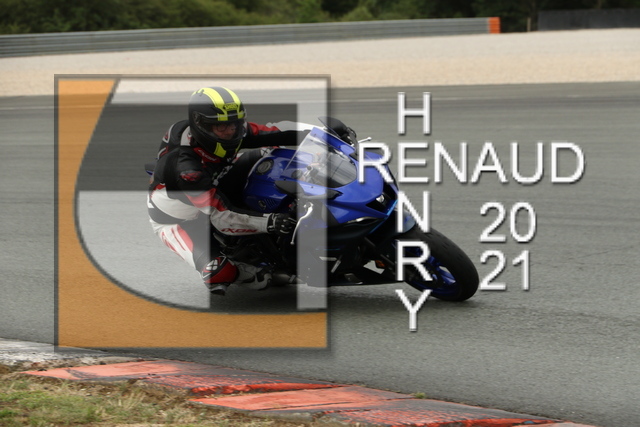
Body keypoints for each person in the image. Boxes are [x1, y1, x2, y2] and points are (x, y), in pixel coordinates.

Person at [147, 86, 305, 296]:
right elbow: (221, 217)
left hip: (215, 184)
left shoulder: (219, 131)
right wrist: (270, 222)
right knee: (218, 273)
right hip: (182, 219)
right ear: (200, 125)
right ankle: (257, 270)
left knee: (268, 156)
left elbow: (273, 132)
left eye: (234, 123)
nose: (230, 131)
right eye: (221, 126)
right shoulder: (186, 170)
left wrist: (324, 133)